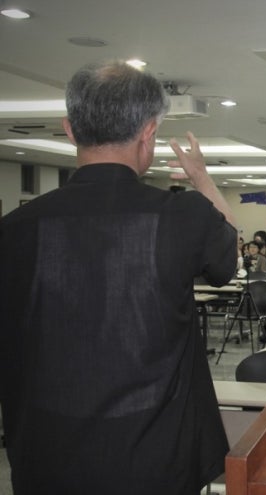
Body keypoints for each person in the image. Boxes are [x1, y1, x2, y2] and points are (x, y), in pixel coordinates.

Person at [0, 61, 237, 494]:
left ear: (70, 130)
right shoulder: (181, 215)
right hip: (153, 456)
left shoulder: (15, 228)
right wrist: (201, 178)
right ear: (148, 132)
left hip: (45, 455)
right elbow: (227, 261)